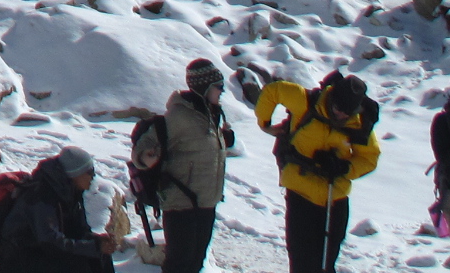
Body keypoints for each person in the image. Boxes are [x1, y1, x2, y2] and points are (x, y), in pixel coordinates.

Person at [257, 70, 380, 273]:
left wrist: (345, 167)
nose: (341, 114)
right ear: (331, 97)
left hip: (336, 197)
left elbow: (369, 157)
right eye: (338, 108)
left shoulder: (359, 122)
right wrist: (266, 124)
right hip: (301, 194)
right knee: (302, 260)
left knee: (327, 262)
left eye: (347, 112)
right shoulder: (305, 101)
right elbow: (274, 91)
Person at [153, 59, 236, 273]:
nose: (222, 91)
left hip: (205, 202)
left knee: (196, 262)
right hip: (181, 202)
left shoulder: (210, 114)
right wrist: (148, 156)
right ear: (204, 87)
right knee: (179, 264)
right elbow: (148, 146)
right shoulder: (178, 115)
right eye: (219, 86)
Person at [2, 146, 119, 273]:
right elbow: (50, 243)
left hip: (45, 251)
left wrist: (97, 241)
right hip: (20, 258)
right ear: (75, 174)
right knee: (78, 266)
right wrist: (93, 247)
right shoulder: (41, 196)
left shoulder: (71, 192)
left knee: (100, 256)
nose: (93, 177)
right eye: (89, 172)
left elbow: (78, 232)